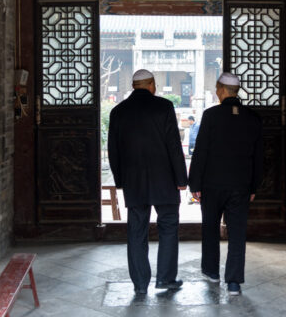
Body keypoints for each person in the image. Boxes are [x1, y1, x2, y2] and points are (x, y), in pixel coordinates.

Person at [108, 69, 188, 295]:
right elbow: (174, 145)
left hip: (134, 181)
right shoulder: (164, 107)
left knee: (136, 230)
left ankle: (140, 284)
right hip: (164, 179)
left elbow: (113, 151)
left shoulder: (118, 111)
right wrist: (181, 179)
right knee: (169, 226)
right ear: (151, 84)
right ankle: (165, 278)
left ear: (134, 85)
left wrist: (120, 180)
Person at [188, 72, 263, 296]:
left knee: (210, 227)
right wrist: (253, 187)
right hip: (240, 185)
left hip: (212, 184)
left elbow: (201, 151)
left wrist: (195, 184)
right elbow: (258, 157)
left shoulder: (211, 115)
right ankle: (233, 282)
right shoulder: (253, 117)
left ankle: (211, 271)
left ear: (220, 90)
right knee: (237, 233)